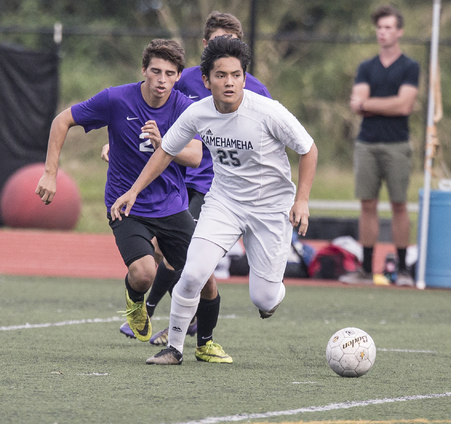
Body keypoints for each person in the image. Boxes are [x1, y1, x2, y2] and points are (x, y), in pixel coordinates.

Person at [112, 36, 318, 365]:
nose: (229, 82)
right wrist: (134, 190)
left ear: (244, 78)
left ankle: (271, 296)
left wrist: (302, 200)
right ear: (206, 81)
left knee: (263, 299)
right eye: (220, 75)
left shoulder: (267, 112)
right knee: (192, 273)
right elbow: (165, 151)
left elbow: (308, 149)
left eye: (236, 75)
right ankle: (175, 349)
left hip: (270, 209)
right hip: (225, 204)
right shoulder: (198, 113)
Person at [34, 40, 216, 352]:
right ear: (143, 70)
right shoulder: (116, 99)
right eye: (155, 71)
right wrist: (50, 172)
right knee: (145, 272)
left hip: (171, 204)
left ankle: (206, 345)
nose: (161, 79)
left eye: (169, 73)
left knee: (205, 277)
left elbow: (196, 156)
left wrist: (165, 144)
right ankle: (135, 301)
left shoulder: (185, 107)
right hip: (125, 203)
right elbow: (62, 121)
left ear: (178, 77)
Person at [340, 5, 420, 287]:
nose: (383, 33)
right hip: (367, 144)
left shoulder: (410, 67)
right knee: (367, 205)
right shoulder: (366, 67)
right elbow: (356, 105)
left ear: (399, 31)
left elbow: (404, 105)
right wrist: (381, 105)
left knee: (399, 204)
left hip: (397, 144)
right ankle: (365, 268)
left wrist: (370, 105)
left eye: (389, 27)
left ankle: (403, 269)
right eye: (380, 28)